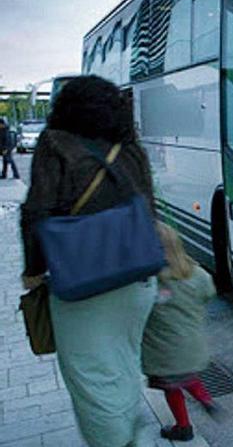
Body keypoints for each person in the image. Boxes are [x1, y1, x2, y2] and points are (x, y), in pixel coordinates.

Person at [20, 75, 157, 447]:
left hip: (84, 280)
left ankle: (119, 440)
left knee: (93, 378)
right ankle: (131, 430)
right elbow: (148, 205)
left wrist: (32, 270)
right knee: (124, 365)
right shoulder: (128, 145)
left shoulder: (55, 143)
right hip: (138, 277)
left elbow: (37, 211)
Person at [142, 223, 222, 442]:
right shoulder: (198, 274)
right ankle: (206, 399)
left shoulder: (149, 282)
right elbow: (209, 294)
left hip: (162, 353)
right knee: (186, 375)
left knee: (172, 387)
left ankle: (183, 427)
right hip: (193, 348)